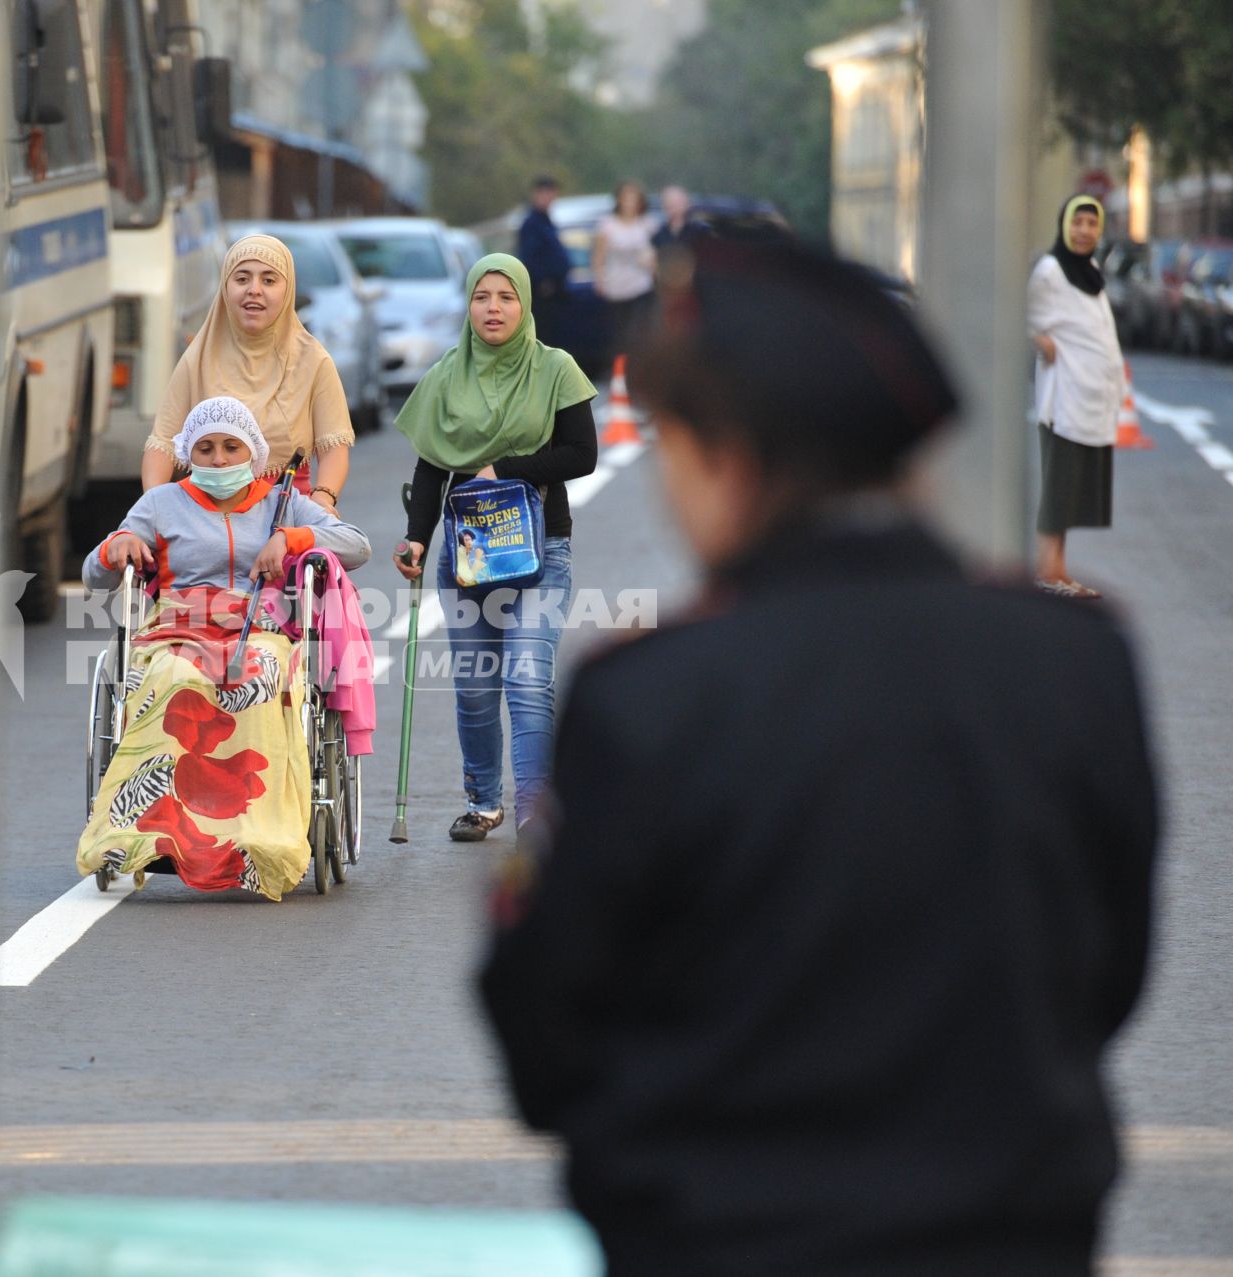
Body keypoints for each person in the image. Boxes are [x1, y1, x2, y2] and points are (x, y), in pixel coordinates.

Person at [481, 238, 1157, 1276]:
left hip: (719, 1241)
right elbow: (1106, 977)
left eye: (669, 445)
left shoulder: (650, 696)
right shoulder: (1077, 659)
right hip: (1015, 1240)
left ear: (730, 457)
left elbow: (548, 1041)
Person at [82, 396, 370, 900]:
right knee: (174, 678)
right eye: (207, 448)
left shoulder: (281, 502)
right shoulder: (160, 503)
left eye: (231, 447)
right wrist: (114, 546)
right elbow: (93, 573)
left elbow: (357, 545)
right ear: (190, 453)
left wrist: (295, 537)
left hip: (258, 628)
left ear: (252, 452)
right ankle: (155, 830)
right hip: (177, 626)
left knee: (259, 676)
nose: (218, 460)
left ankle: (255, 834)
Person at [394, 255, 597, 841]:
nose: (493, 308)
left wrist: (504, 468)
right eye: (482, 296)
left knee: (528, 678)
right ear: (469, 305)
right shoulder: (446, 375)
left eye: (506, 297)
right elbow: (430, 469)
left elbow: (581, 454)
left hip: (541, 551)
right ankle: (484, 802)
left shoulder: (556, 368)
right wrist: (414, 537)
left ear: (525, 303)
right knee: (477, 684)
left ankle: (536, 808)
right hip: (466, 555)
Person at [141, 234, 353, 513]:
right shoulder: (198, 357)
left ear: (287, 290)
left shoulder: (312, 361)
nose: (254, 290)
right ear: (225, 288)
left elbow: (333, 446)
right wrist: (154, 507)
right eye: (242, 279)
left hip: (285, 520)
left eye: (269, 280)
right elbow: (163, 443)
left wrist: (324, 498)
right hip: (205, 521)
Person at [1030, 194, 1125, 599]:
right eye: (1077, 222)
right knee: (1058, 486)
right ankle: (1047, 571)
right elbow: (1022, 310)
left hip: (1092, 398)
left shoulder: (1091, 272)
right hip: (1065, 398)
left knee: (1073, 490)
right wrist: (1039, 339)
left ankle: (1058, 568)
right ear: (1063, 224)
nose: (1084, 231)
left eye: (1091, 223)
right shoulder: (1051, 270)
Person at [592, 180, 658, 372]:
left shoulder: (647, 224)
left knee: (638, 331)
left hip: (641, 285)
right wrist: (600, 278)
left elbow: (654, 254)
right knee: (618, 334)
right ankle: (620, 372)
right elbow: (599, 255)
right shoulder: (608, 225)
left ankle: (639, 370)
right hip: (617, 286)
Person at [516, 175, 573, 348]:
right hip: (543, 295)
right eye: (544, 193)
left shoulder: (547, 221)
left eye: (551, 193)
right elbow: (531, 257)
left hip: (556, 293)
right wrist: (543, 282)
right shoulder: (532, 224)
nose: (548, 197)